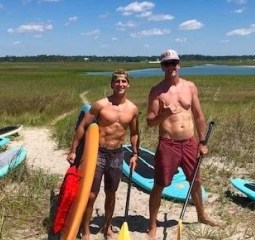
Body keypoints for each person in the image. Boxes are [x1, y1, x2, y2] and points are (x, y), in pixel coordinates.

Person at [146, 49, 218, 239]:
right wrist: (165, 114)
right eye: (167, 64)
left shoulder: (190, 87)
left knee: (196, 181)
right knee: (159, 184)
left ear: (179, 64)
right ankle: (152, 224)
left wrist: (202, 142)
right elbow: (150, 122)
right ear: (162, 67)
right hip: (168, 144)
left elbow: (199, 115)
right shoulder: (156, 91)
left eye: (174, 63)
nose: (171, 67)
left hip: (190, 142)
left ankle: (201, 215)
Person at [67, 69, 140, 240]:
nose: (120, 84)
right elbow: (83, 127)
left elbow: (135, 132)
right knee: (91, 195)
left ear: (128, 84)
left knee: (111, 193)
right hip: (98, 154)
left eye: (123, 81)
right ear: (112, 84)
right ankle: (85, 231)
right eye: (117, 81)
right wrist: (73, 150)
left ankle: (107, 227)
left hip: (117, 154)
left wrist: (135, 153)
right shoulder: (100, 104)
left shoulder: (133, 109)